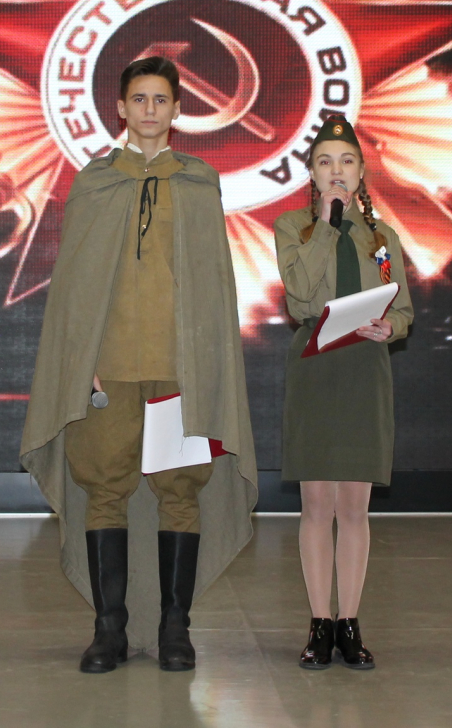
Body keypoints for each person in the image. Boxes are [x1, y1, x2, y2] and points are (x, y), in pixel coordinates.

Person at [20, 55, 258, 674]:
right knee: (105, 488)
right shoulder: (94, 183)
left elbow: (213, 286)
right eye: (139, 99)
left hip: (179, 371)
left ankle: (176, 628)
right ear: (121, 108)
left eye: (160, 99)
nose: (150, 109)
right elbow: (76, 288)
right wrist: (83, 360)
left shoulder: (200, 183)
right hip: (111, 370)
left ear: (177, 110)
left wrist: (205, 363)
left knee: (179, 491)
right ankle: (109, 631)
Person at [273, 114, 414, 670]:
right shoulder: (294, 227)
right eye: (326, 162)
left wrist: (391, 326)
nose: (337, 171)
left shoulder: (383, 238)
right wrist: (329, 224)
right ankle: (319, 624)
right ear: (311, 173)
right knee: (317, 503)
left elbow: (403, 308)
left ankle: (350, 623)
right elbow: (299, 294)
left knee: (354, 505)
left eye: (347, 161)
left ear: (361, 173)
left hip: (364, 369)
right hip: (316, 366)